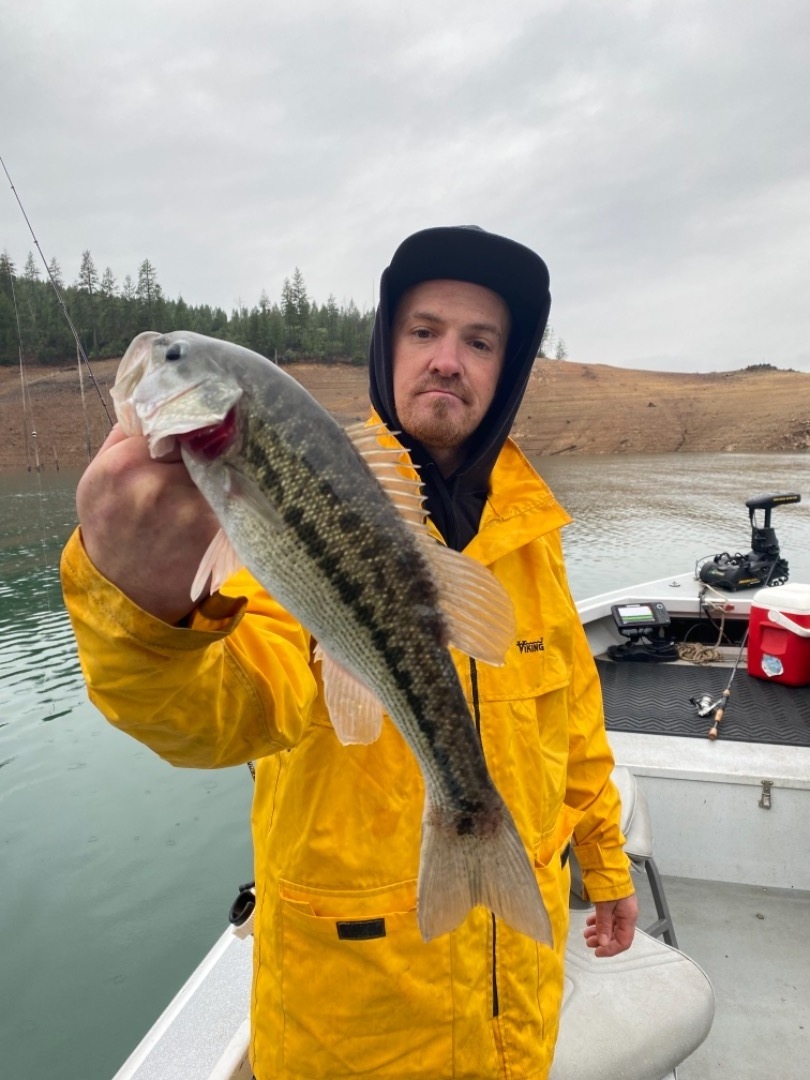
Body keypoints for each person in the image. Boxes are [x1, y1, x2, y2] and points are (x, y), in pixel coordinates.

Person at [61, 225, 638, 1079]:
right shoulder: (293, 500)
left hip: (514, 1014)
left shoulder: (534, 533)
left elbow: (575, 718)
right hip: (350, 1024)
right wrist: (144, 607)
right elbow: (218, 719)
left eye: (479, 341)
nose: (448, 359)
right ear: (386, 346)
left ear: (506, 370)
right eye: (423, 331)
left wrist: (606, 861)